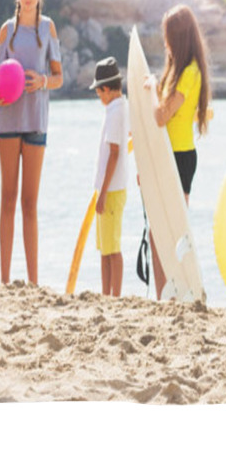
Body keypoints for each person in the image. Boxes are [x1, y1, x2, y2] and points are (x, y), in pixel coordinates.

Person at [0, 0, 62, 285]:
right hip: (7, 121)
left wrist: (42, 82)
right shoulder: (7, 30)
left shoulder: (48, 28)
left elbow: (59, 77)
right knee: (7, 198)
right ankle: (5, 279)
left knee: (29, 203)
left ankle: (33, 282)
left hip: (36, 121)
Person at [146, 4, 211, 299]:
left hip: (180, 157)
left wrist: (150, 92)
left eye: (168, 37)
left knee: (171, 229)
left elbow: (162, 116)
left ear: (179, 38)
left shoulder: (190, 73)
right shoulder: (179, 69)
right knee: (157, 230)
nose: (165, 43)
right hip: (170, 155)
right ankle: (164, 293)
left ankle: (176, 289)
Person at [90, 57, 130, 297]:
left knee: (112, 248)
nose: (99, 97)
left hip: (112, 189)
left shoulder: (116, 112)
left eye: (99, 92)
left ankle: (115, 295)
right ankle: (106, 294)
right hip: (110, 188)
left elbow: (114, 154)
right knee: (105, 247)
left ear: (106, 89)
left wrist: (103, 193)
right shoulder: (118, 108)